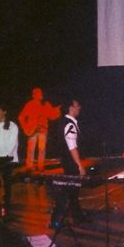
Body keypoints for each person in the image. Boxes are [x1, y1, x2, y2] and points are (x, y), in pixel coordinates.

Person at [50, 99, 87, 228]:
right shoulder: (69, 125)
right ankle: (56, 219)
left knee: (72, 191)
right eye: (77, 106)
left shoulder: (65, 122)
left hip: (67, 161)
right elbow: (72, 147)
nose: (79, 108)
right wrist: (79, 165)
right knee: (69, 191)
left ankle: (77, 216)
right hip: (71, 162)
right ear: (71, 108)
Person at [18, 87, 61, 172]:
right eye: (37, 94)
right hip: (32, 131)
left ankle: (40, 166)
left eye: (40, 93)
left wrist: (57, 111)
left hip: (43, 130)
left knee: (42, 149)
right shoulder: (29, 104)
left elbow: (51, 115)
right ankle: (30, 167)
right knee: (31, 149)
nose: (39, 95)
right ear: (33, 95)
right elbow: (21, 117)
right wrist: (26, 128)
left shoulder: (45, 104)